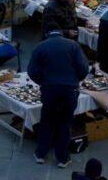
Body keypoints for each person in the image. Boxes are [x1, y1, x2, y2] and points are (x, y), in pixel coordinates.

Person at [28, 22, 89, 168]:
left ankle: (40, 154)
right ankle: (63, 158)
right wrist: (75, 80)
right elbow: (83, 68)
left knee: (47, 121)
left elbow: (32, 71)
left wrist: (43, 81)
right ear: (60, 31)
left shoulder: (40, 47)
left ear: (48, 33)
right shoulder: (73, 46)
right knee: (65, 122)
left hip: (49, 90)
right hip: (69, 90)